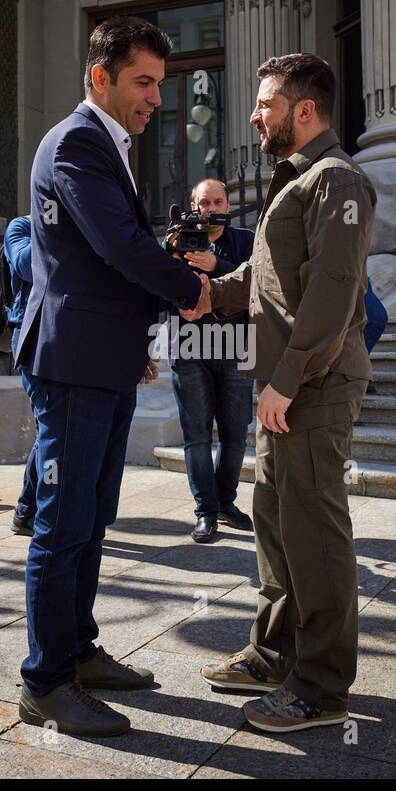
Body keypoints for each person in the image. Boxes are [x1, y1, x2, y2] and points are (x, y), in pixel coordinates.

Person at [12, 16, 207, 738]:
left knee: (91, 518)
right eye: (143, 82)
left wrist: (146, 315)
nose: (157, 97)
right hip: (71, 362)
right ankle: (45, 682)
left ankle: (78, 651)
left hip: (104, 355)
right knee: (62, 525)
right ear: (101, 77)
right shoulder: (78, 142)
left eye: (160, 83)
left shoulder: (110, 144)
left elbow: (109, 256)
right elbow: (119, 247)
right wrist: (191, 290)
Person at [185, 53, 376, 734]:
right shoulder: (293, 180)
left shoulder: (339, 181)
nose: (255, 114)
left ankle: (321, 689)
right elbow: (267, 280)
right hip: (284, 387)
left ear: (305, 109)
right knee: (274, 527)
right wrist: (208, 293)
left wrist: (288, 380)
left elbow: (331, 291)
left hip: (312, 386)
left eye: (266, 102)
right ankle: (274, 654)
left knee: (316, 535)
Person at [163, 178, 255, 544]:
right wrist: (169, 257)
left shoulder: (245, 241)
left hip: (236, 344)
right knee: (197, 434)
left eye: (218, 201)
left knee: (235, 435)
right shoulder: (177, 239)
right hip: (188, 346)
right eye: (205, 202)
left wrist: (215, 264)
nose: (212, 209)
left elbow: (254, 284)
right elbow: (158, 288)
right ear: (193, 205)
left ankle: (225, 503)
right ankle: (205, 511)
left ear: (228, 205)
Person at [3, 215, 40, 536]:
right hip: (29, 332)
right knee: (51, 424)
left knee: (58, 425)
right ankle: (27, 510)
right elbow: (25, 265)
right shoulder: (21, 226)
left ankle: (33, 508)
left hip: (68, 332)